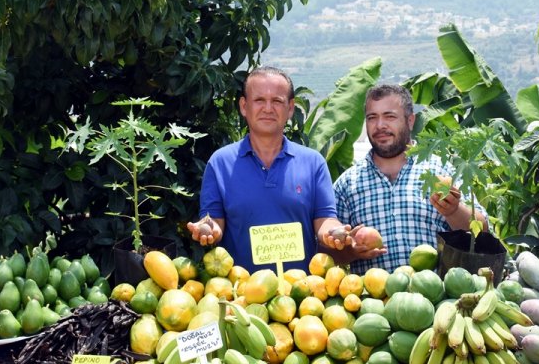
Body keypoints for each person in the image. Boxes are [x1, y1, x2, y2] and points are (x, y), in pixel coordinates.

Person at [186, 66, 348, 273]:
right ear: (244, 106)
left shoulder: (313, 163)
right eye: (259, 100)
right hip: (240, 294)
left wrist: (334, 232)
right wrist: (207, 229)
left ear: (290, 108)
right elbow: (214, 221)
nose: (268, 108)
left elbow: (325, 219)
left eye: (277, 101)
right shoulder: (220, 163)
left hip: (301, 295)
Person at [324, 83, 487, 273]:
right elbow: (330, 252)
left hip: (435, 299)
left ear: (410, 121)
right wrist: (352, 251)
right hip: (373, 301)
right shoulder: (347, 184)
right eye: (372, 118)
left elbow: (481, 231)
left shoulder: (440, 170)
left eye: (390, 116)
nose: (380, 126)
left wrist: (453, 210)